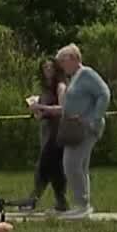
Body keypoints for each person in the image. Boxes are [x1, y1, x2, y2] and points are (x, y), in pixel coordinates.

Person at [40, 44, 112, 219]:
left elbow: (104, 94)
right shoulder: (76, 77)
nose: (61, 66)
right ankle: (82, 204)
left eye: (62, 61)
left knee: (70, 163)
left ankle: (82, 205)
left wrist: (93, 118)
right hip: (76, 127)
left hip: (86, 127)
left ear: (73, 58)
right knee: (80, 165)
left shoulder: (87, 74)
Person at [17, 59, 70, 212]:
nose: (47, 69)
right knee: (55, 169)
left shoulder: (60, 87)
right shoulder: (45, 89)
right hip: (47, 131)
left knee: (44, 166)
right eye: (44, 67)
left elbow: (62, 109)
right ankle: (61, 202)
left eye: (50, 67)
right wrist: (37, 111)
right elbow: (44, 112)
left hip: (57, 132)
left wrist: (40, 106)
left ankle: (33, 199)